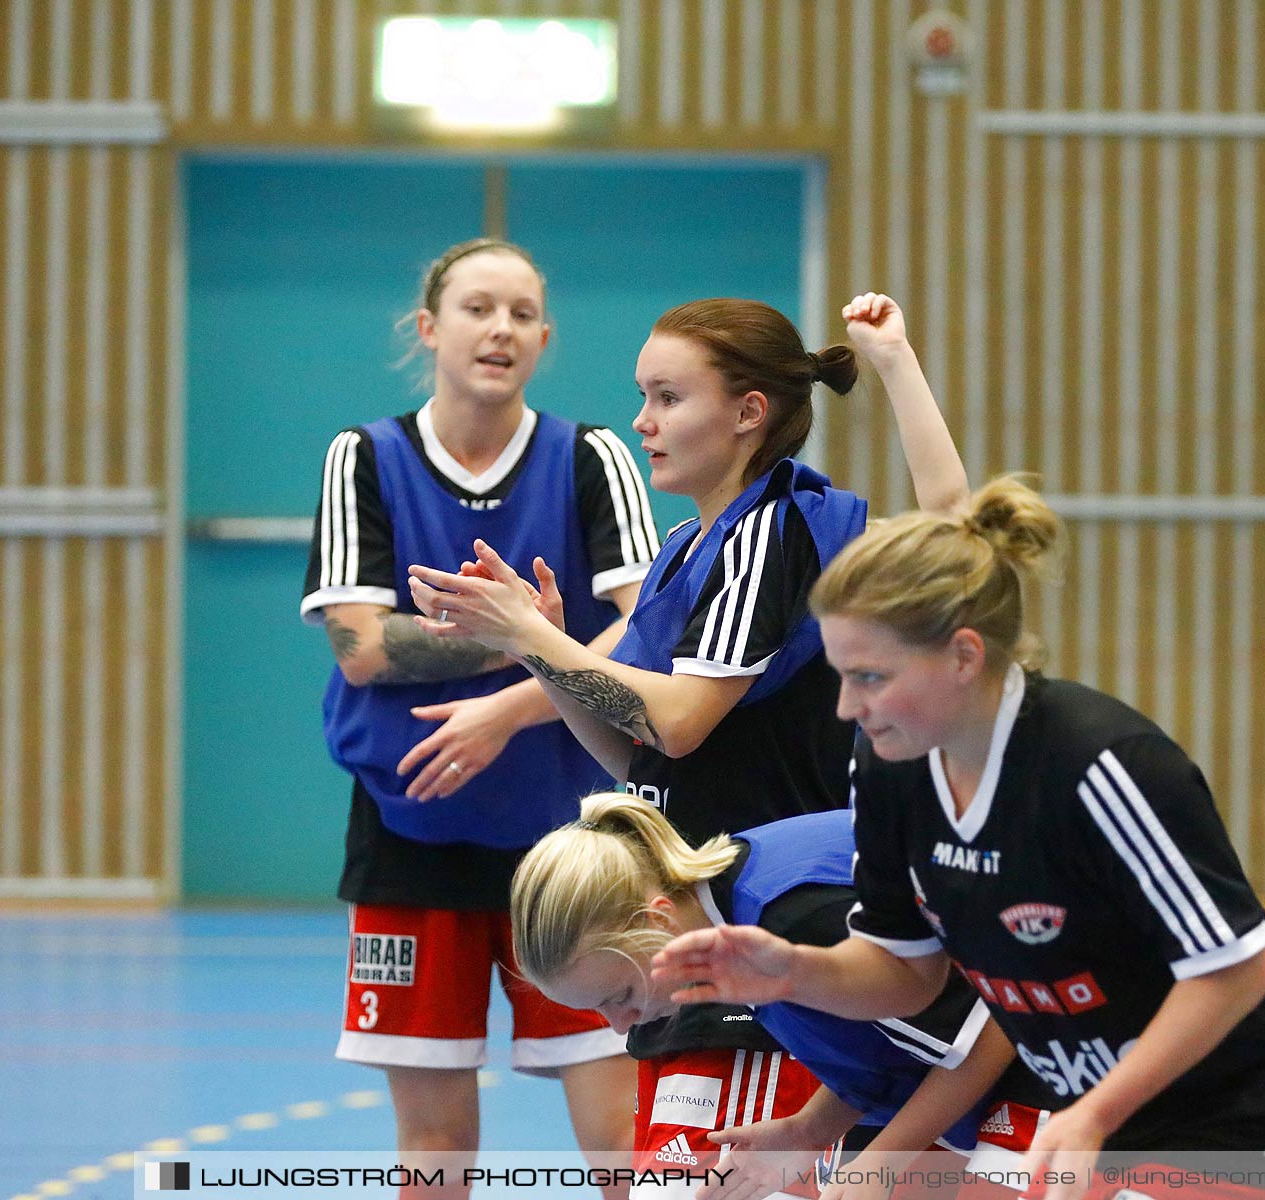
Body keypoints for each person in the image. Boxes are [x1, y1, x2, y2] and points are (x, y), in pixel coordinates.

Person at [647, 476, 1265, 1200]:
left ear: (965, 656)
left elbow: (1236, 972)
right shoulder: (892, 767)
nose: (847, 707)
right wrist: (793, 971)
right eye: (841, 676)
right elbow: (904, 974)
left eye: (871, 677)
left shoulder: (1101, 766)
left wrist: (1096, 1114)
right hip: (1118, 1125)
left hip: (1260, 1121)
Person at [404, 293, 969, 1193]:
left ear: (747, 414)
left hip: (770, 942)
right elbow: (640, 753)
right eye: (642, 395)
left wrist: (896, 362)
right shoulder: (685, 546)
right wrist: (534, 651)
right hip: (690, 937)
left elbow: (681, 715)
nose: (643, 421)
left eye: (668, 397)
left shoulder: (772, 533)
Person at [300, 237, 654, 1198]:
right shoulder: (364, 456)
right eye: (477, 307)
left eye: (522, 313)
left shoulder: (592, 458)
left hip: (576, 837)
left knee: (622, 1143)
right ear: (429, 328)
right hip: (413, 834)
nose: (500, 328)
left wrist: (510, 708)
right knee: (433, 1150)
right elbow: (363, 646)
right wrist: (529, 635)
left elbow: (645, 632)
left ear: (545, 336)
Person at [510, 793, 1018, 1200]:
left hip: (1066, 1040)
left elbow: (996, 1025)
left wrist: (882, 1163)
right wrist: (808, 1130)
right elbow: (891, 1044)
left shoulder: (788, 917)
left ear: (656, 920)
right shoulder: (730, 912)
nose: (622, 1026)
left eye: (619, 995)